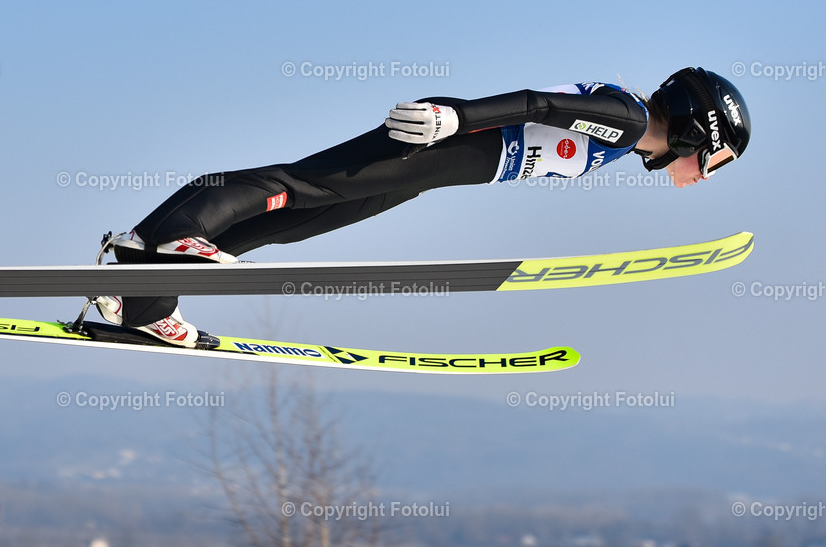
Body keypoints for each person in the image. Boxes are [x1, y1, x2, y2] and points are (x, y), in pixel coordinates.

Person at [95, 67, 751, 348]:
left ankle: (141, 300)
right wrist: (458, 116)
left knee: (303, 220)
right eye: (713, 162)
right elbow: (542, 105)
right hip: (444, 142)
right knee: (301, 184)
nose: (699, 176)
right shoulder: (629, 120)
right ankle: (155, 240)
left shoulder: (629, 122)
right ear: (701, 131)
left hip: (435, 170)